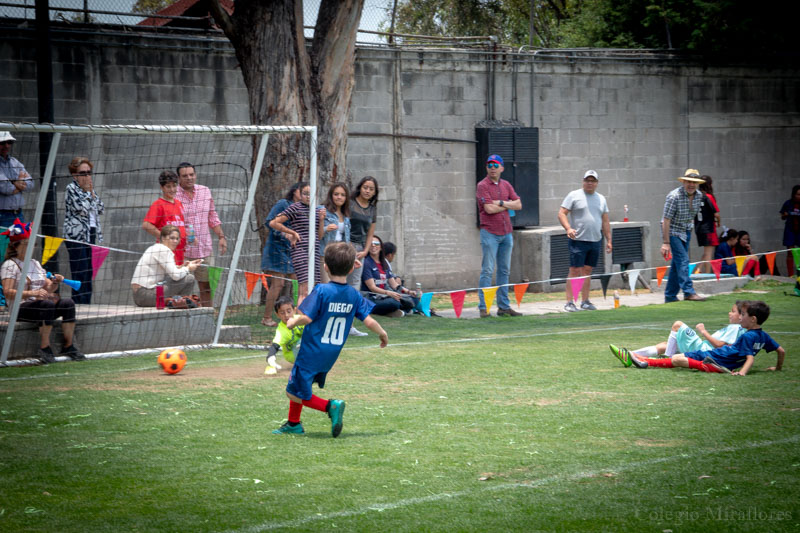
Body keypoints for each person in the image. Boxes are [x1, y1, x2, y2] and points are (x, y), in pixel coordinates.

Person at [272, 242, 388, 437]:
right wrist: (382, 333)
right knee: (300, 385)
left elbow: (307, 317)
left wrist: (293, 322)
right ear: (352, 268)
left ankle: (330, 406)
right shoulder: (353, 294)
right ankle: (293, 424)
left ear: (325, 266)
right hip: (331, 353)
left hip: (311, 351)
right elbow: (368, 321)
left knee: (293, 392)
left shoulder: (322, 290)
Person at [619, 301, 784, 376]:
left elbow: (749, 358)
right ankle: (638, 357)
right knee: (673, 353)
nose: (739, 317)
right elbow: (781, 351)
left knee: (677, 357)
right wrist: (777, 368)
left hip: (716, 360)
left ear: (753, 319)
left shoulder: (748, 334)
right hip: (715, 357)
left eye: (742, 315)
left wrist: (742, 373)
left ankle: (643, 361)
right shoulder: (763, 335)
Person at [1, 219, 85, 363]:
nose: (31, 247)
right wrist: (32, 293)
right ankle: (45, 347)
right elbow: (7, 292)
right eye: (27, 244)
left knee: (68, 303)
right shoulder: (10, 265)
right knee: (47, 305)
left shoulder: (35, 263)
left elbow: (48, 287)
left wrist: (54, 283)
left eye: (32, 244)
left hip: (39, 305)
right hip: (20, 308)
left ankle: (69, 345)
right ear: (16, 246)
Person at [610, 300, 747, 362]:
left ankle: (668, 359)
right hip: (703, 348)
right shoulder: (737, 328)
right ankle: (629, 355)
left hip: (703, 349)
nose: (730, 313)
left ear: (741, 315)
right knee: (666, 344)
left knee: (677, 325)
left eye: (733, 311)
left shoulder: (735, 328)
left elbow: (720, 345)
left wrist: (703, 331)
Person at [557, 169, 612, 312]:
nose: (590, 183)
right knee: (575, 270)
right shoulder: (574, 195)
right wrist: (568, 228)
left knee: (587, 270)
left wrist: (609, 240)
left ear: (597, 183)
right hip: (578, 239)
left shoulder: (601, 199)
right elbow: (562, 213)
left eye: (593, 181)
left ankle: (585, 301)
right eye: (587, 180)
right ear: (583, 181)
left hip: (595, 240)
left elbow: (605, 221)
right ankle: (570, 302)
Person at [476, 154, 523, 317]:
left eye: (496, 165)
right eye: (490, 165)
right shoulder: (482, 186)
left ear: (502, 168)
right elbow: (488, 209)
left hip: (506, 233)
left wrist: (501, 203)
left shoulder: (506, 185)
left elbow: (518, 204)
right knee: (488, 270)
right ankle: (484, 307)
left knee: (504, 271)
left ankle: (503, 306)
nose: (493, 168)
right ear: (486, 168)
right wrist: (507, 205)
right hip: (489, 232)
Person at [175, 162, 227, 307]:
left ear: (196, 175)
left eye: (192, 174)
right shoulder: (174, 195)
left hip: (204, 249)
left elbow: (212, 216)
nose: (189, 178)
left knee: (206, 286)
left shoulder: (205, 191)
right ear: (179, 178)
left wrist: (221, 237)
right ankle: (183, 319)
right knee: (182, 287)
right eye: (185, 176)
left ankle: (208, 315)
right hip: (182, 251)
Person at [268, 182, 325, 306]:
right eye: (305, 194)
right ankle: (300, 318)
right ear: (299, 194)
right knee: (304, 288)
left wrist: (321, 220)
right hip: (300, 250)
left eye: (311, 194)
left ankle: (308, 316)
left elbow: (319, 236)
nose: (308, 197)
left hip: (314, 250)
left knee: (314, 286)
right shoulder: (295, 207)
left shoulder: (316, 209)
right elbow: (274, 223)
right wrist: (291, 232)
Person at [63, 156, 104, 304]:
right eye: (83, 173)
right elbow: (82, 209)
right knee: (79, 271)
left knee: (88, 272)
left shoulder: (90, 190)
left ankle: (87, 303)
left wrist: (91, 193)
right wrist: (88, 194)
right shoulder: (71, 189)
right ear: (75, 175)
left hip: (90, 233)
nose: (87, 176)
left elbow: (100, 208)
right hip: (76, 235)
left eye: (89, 172)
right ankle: (79, 302)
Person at [261, 183, 303, 327]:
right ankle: (266, 317)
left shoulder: (304, 208)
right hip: (276, 249)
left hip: (292, 250)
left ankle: (298, 315)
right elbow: (269, 222)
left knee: (299, 281)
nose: (306, 194)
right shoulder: (284, 204)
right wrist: (285, 233)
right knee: (278, 284)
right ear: (294, 191)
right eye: (302, 191)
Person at [661, 169, 706, 302]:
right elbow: (666, 220)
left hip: (686, 231)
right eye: (688, 182)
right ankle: (688, 292)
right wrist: (666, 242)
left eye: (694, 182)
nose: (691, 185)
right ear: (684, 182)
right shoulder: (673, 196)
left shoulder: (699, 196)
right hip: (672, 231)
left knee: (677, 264)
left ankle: (670, 296)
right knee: (683, 260)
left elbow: (693, 217)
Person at [131, 225, 203, 307]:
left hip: (140, 296)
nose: (175, 241)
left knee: (177, 276)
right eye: (172, 238)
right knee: (189, 278)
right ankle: (179, 303)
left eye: (177, 238)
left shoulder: (156, 248)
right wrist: (188, 268)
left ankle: (177, 302)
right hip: (146, 295)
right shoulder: (163, 250)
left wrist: (183, 266)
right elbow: (175, 276)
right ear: (163, 238)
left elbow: (169, 271)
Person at [347, 176, 380, 336]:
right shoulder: (350, 204)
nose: (367, 191)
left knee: (354, 286)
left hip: (361, 250)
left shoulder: (372, 210)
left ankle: (350, 324)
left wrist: (366, 251)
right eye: (365, 187)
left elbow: (370, 234)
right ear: (360, 187)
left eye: (371, 189)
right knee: (340, 283)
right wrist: (349, 247)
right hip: (346, 247)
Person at [361, 235, 419, 317]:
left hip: (385, 297)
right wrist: (388, 293)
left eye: (376, 243)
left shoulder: (384, 263)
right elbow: (372, 288)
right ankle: (399, 311)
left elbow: (395, 285)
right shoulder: (366, 263)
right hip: (372, 298)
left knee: (414, 299)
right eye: (370, 244)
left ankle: (395, 312)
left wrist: (409, 292)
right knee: (393, 303)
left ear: (381, 247)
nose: (373, 245)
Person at [0, 131, 34, 260]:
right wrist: (18, 182)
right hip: (2, 216)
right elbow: (5, 187)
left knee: (20, 252)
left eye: (9, 142)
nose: (7, 145)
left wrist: (13, 183)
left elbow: (31, 183)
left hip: (18, 215)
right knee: (3, 253)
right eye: (3, 142)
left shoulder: (15, 162)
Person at [142, 170, 187, 265]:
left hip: (179, 253)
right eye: (168, 186)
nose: (172, 189)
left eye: (174, 186)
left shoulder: (178, 203)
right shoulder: (158, 204)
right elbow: (146, 225)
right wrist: (164, 238)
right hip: (166, 253)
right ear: (162, 188)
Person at [264, 295, 304, 375]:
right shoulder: (281, 330)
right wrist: (270, 357)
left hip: (302, 345)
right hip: (291, 354)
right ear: (277, 315)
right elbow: (275, 345)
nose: (286, 315)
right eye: (282, 313)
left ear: (295, 310)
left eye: (289, 311)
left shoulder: (300, 319)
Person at [319, 182, 351, 283]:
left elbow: (346, 239)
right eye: (336, 194)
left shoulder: (346, 215)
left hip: (339, 255)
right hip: (325, 253)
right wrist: (325, 228)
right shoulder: (322, 210)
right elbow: (314, 235)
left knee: (339, 285)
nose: (339, 197)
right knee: (326, 284)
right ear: (331, 195)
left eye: (343, 195)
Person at [694, 175, 720, 274]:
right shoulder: (708, 197)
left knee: (706, 253)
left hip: (699, 228)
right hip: (708, 228)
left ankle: (698, 270)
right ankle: (708, 274)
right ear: (709, 184)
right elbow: (716, 214)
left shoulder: (696, 196)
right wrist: (719, 222)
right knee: (709, 253)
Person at [780, 185, 800, 276]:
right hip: (790, 229)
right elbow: (782, 217)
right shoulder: (788, 203)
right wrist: (785, 215)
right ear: (793, 194)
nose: (799, 196)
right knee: (790, 252)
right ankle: (790, 275)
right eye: (798, 194)